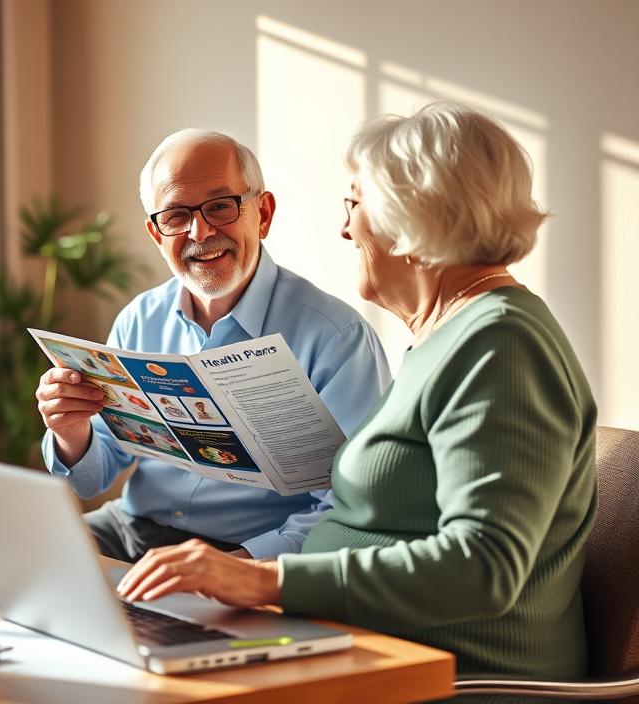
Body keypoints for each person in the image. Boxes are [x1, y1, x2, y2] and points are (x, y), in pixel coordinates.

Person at [116, 103, 597, 685]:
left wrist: (261, 578)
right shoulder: (450, 337)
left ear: (414, 217)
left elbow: (485, 566)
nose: (345, 229)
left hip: (448, 677)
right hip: (344, 639)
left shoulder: (502, 344)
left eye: (354, 204)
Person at [36, 130, 390, 562]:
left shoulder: (337, 338)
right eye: (176, 215)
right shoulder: (140, 317)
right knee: (21, 561)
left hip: (249, 550)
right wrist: (72, 433)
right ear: (155, 232)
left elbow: (346, 510)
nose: (199, 231)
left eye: (220, 207)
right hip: (130, 532)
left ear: (262, 214)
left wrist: (239, 568)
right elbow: (91, 479)